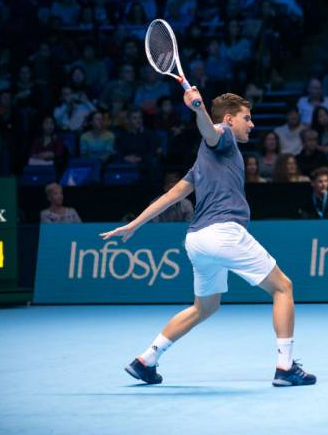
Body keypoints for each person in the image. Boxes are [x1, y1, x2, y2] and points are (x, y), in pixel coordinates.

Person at [100, 91, 316, 387]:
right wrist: (198, 108)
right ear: (229, 119)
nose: (251, 125)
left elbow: (170, 196)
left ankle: (146, 361)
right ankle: (285, 367)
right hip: (224, 232)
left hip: (197, 240)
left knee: (205, 307)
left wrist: (135, 224)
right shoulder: (223, 136)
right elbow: (210, 132)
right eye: (247, 118)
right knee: (283, 288)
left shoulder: (203, 162)